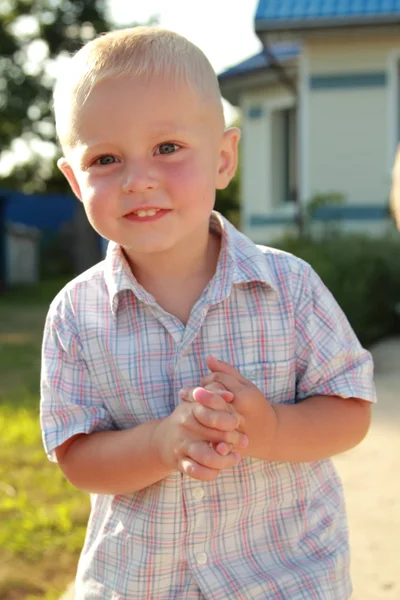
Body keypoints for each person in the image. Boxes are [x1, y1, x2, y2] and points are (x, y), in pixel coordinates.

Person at [40, 27, 376, 600]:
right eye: (106, 158)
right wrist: (161, 444)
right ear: (74, 181)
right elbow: (78, 458)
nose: (138, 177)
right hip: (141, 582)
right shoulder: (75, 314)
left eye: (167, 148)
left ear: (223, 159)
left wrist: (271, 427)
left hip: (283, 578)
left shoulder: (288, 286)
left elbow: (349, 409)